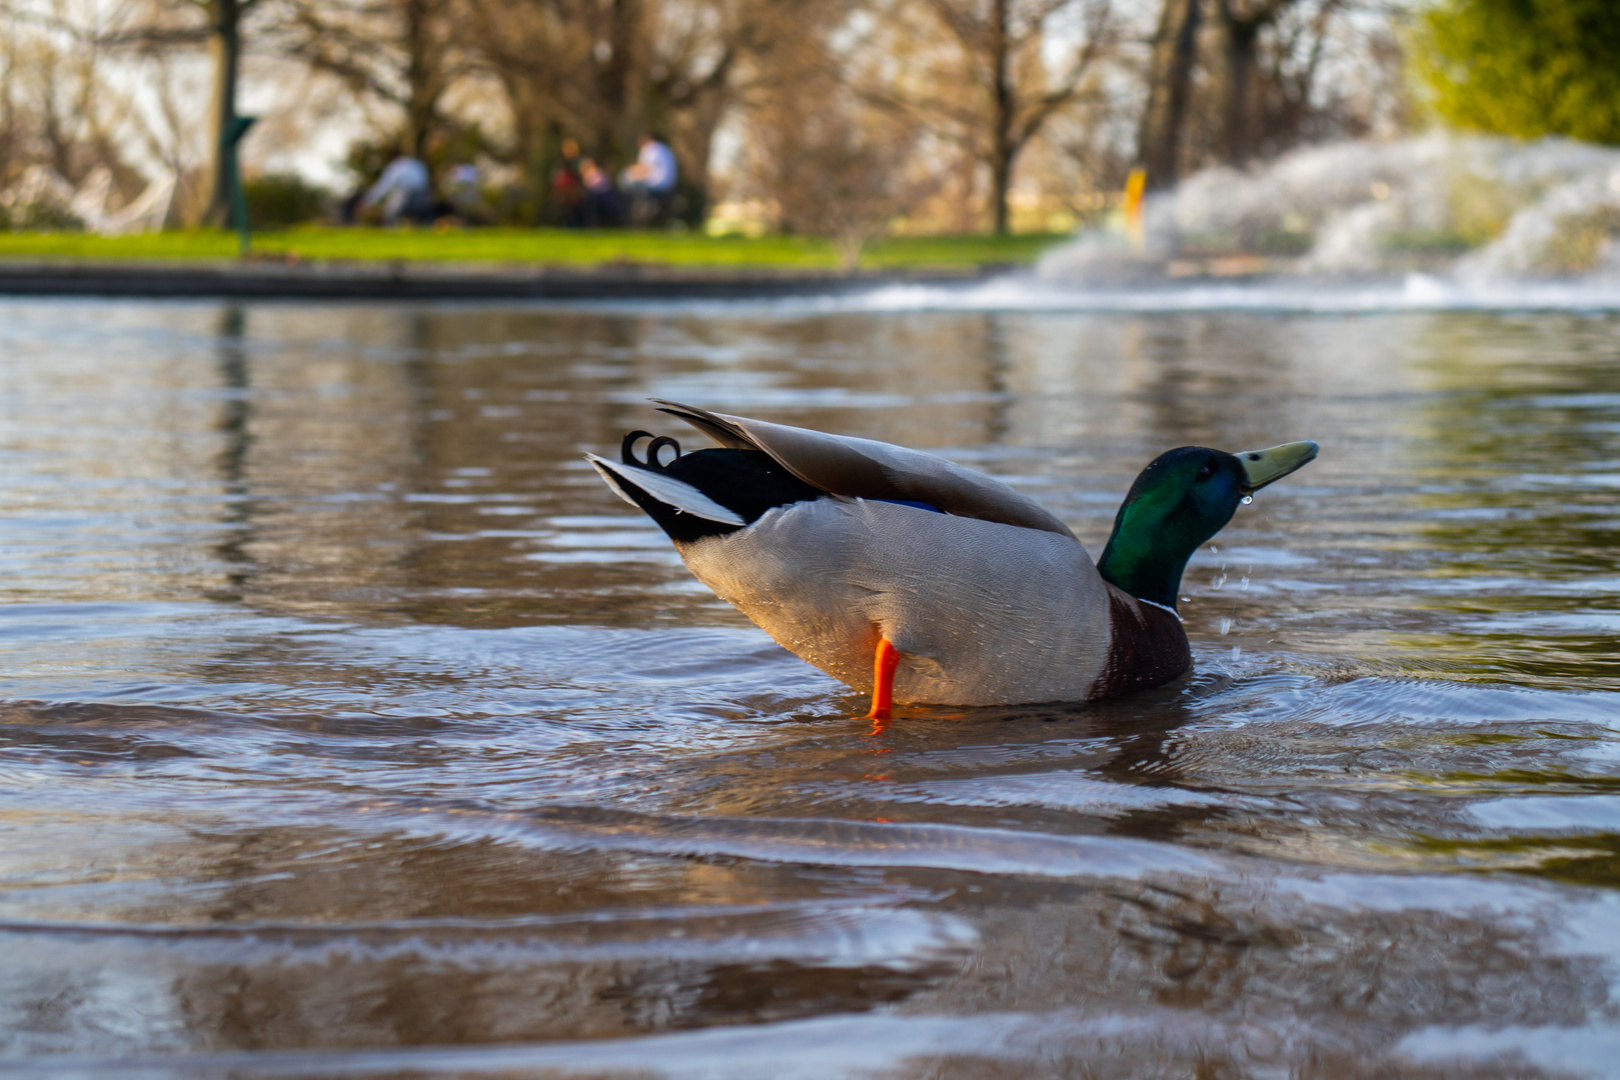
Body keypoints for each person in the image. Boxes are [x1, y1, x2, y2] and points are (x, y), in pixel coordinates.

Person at [359, 152, 434, 226]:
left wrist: (368, 199)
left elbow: (384, 186)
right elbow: (425, 181)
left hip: (404, 193)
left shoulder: (395, 166)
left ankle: (390, 231)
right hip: (422, 194)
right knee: (423, 218)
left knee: (391, 215)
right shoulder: (416, 164)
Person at [619, 133, 677, 226]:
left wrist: (630, 173)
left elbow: (644, 170)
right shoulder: (663, 148)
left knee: (625, 181)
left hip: (656, 185)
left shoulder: (650, 150)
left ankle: (631, 218)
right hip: (669, 185)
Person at [551, 139, 586, 227]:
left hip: (577, 191)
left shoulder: (579, 161)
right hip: (564, 190)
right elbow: (556, 177)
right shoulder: (560, 162)